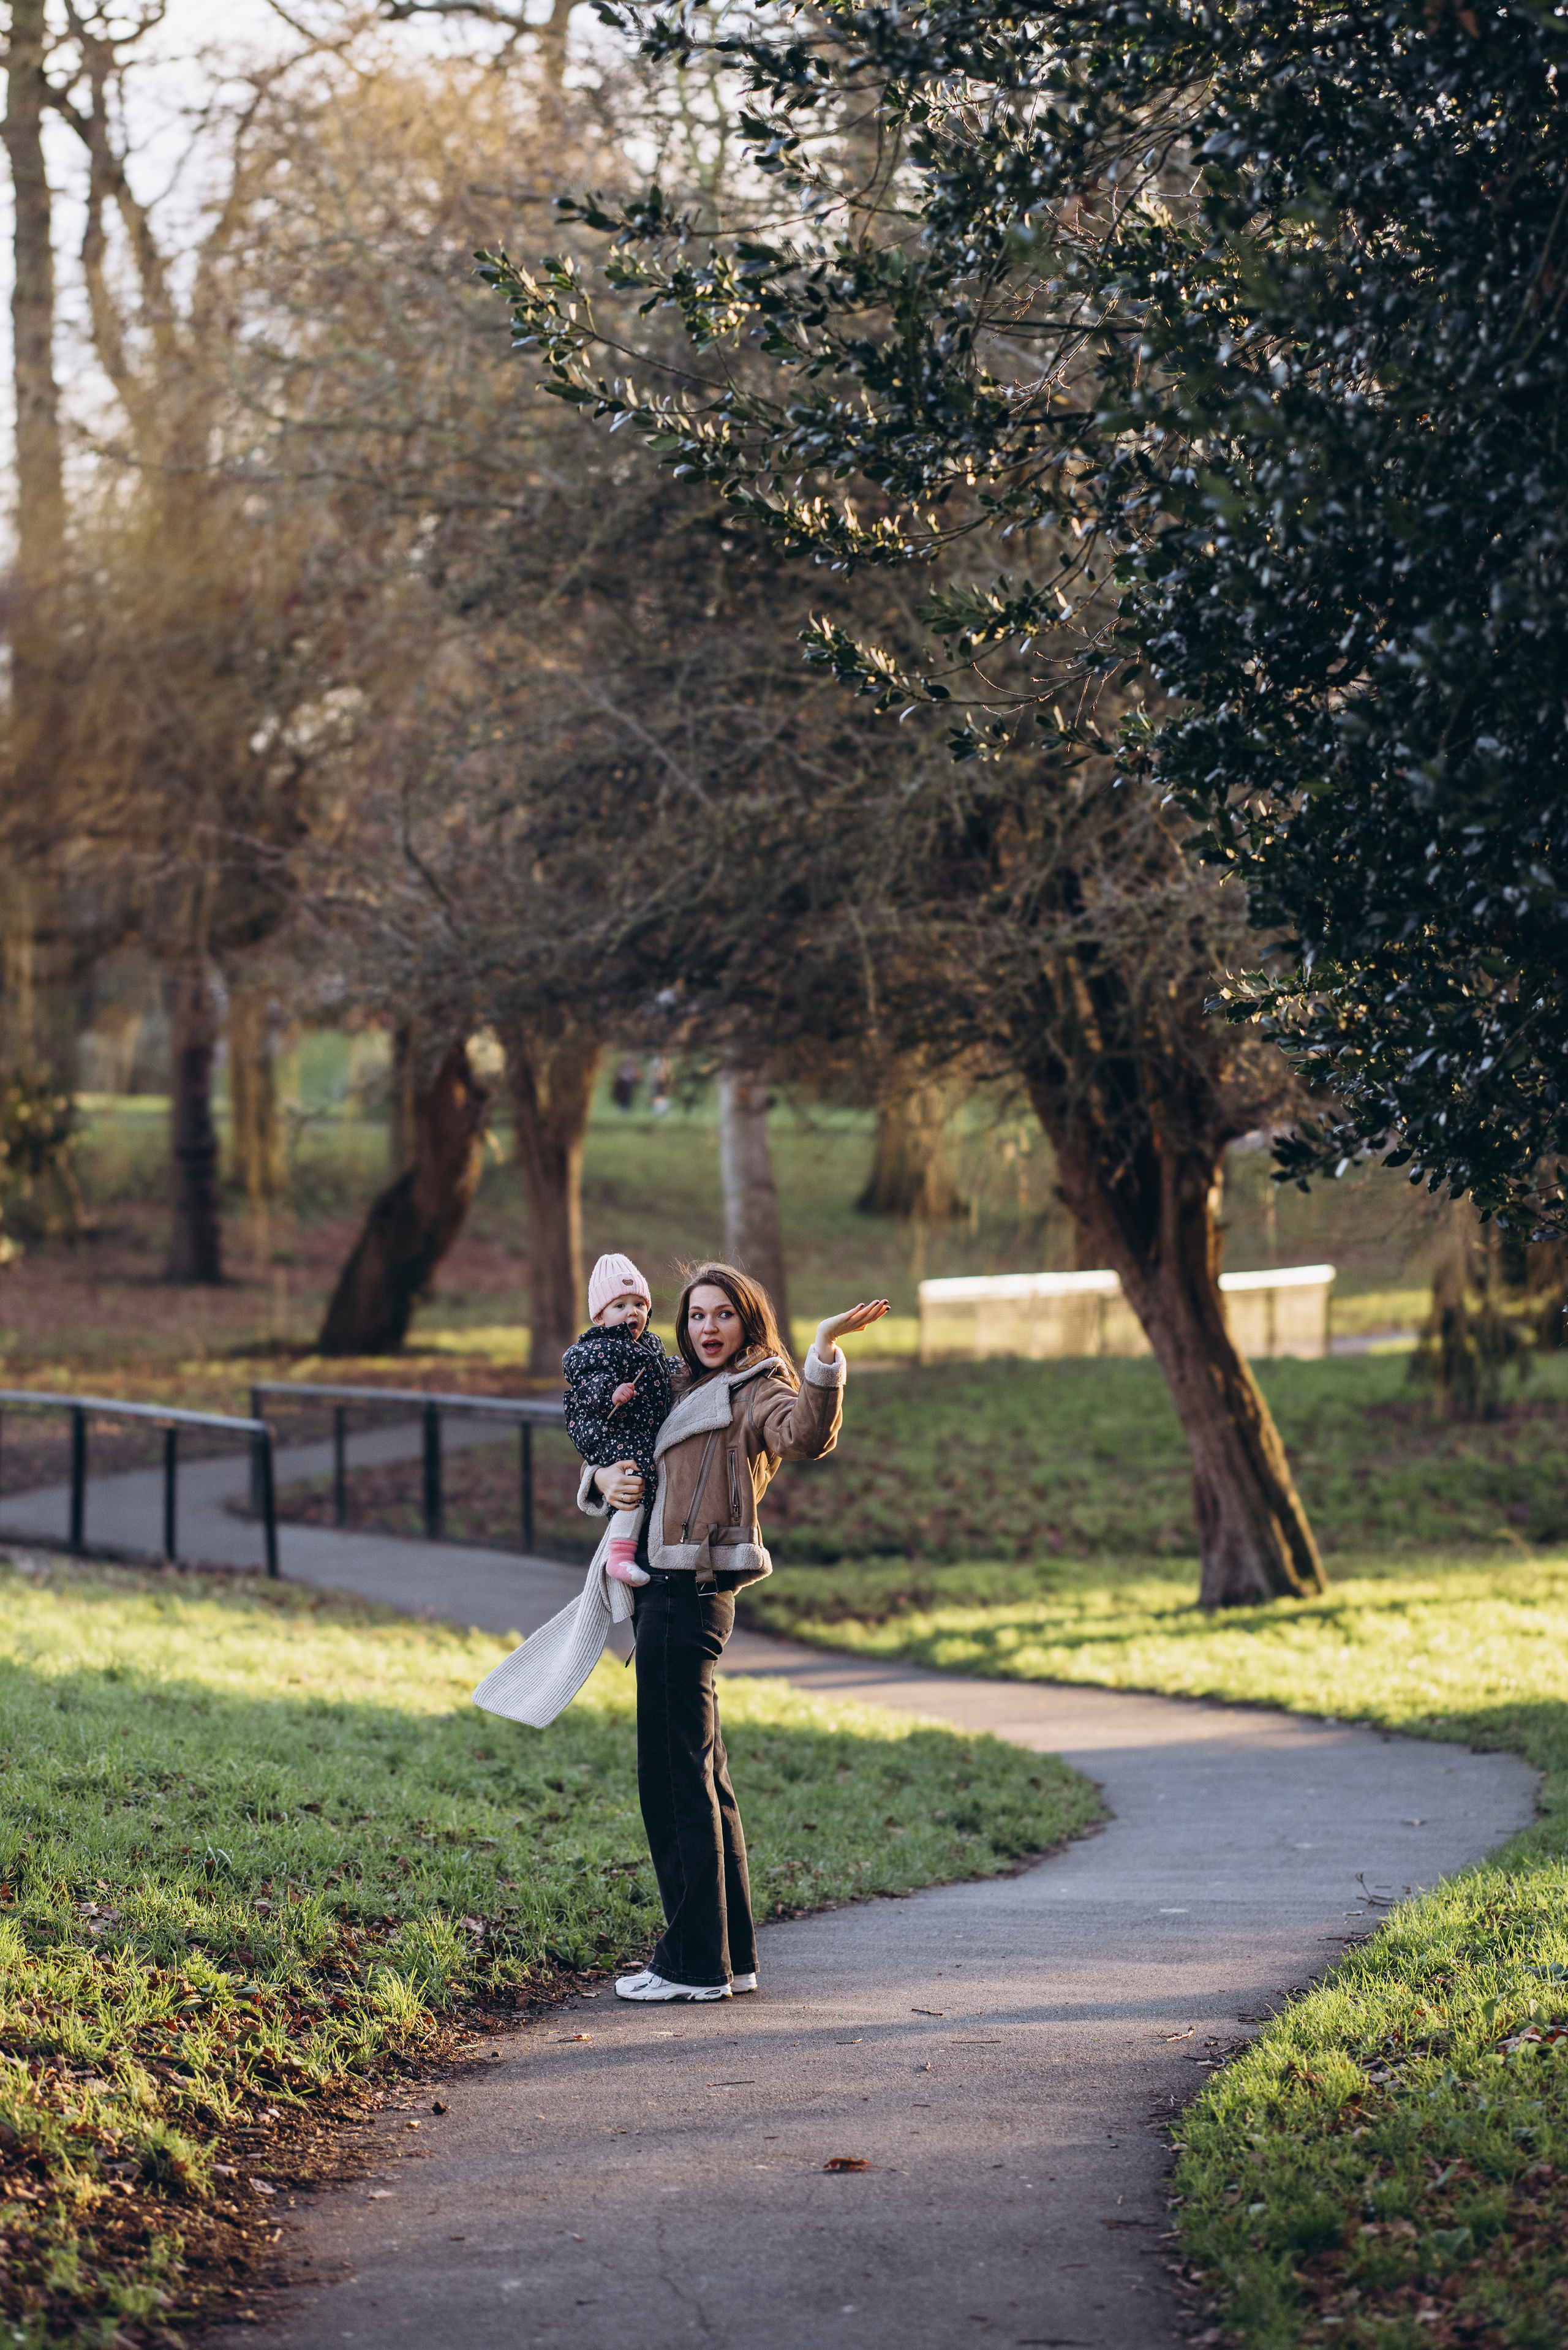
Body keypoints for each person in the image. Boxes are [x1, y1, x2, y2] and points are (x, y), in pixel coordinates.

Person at [584, 1261, 889, 2003]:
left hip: (690, 1589)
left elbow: (807, 1435)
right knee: (705, 1777)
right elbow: (615, 1447)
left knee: (672, 1778)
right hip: (663, 1583)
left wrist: (822, 1352)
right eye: (695, 1316)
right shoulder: (674, 1387)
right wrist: (599, 1481)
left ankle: (690, 1965)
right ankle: (731, 1957)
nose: (707, 1329)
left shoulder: (759, 1390)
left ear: (747, 1321)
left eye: (722, 1315)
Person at [561, 1254, 676, 1588]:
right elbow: (587, 1384)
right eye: (620, 1305)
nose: (632, 1312)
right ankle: (620, 1554)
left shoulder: (650, 1345)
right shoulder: (595, 1349)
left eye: (639, 1304)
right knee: (634, 1473)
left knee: (641, 1468)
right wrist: (610, 1392)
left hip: (636, 1426)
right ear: (599, 1317)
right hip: (606, 1426)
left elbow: (660, 1372)